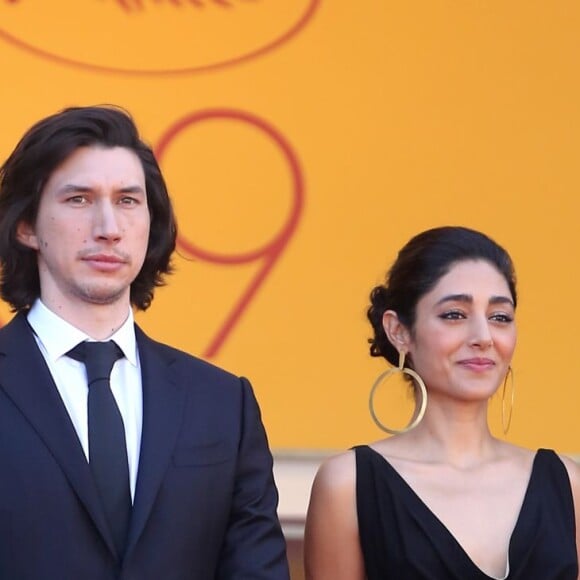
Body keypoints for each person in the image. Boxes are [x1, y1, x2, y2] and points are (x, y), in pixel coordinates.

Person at [0, 105, 290, 580]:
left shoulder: (222, 403)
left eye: (129, 201)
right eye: (78, 199)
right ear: (26, 226)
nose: (108, 227)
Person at [304, 226, 580, 580]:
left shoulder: (566, 485)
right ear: (399, 331)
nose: (483, 337)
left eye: (500, 317)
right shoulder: (349, 485)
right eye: (454, 314)